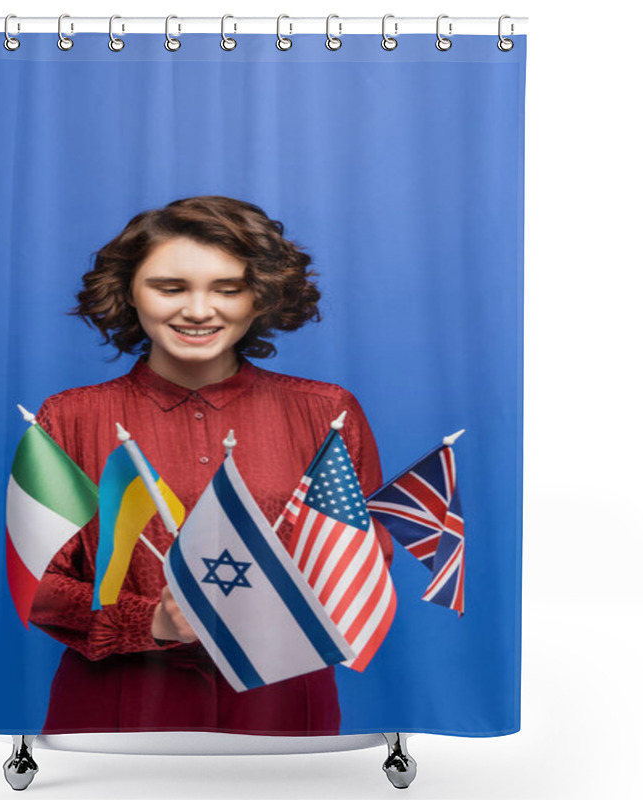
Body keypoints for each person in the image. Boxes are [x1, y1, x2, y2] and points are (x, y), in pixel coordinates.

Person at [29, 195, 394, 736]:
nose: (199, 311)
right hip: (119, 703)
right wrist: (151, 620)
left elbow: (362, 556)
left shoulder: (327, 413)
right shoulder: (71, 416)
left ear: (261, 296)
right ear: (130, 291)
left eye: (228, 289)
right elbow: (39, 585)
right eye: (170, 287)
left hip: (283, 700)